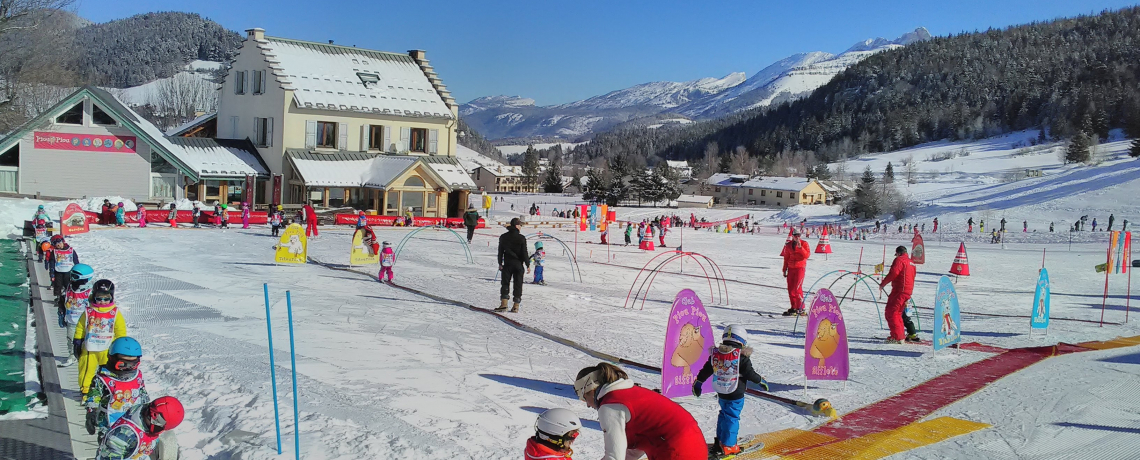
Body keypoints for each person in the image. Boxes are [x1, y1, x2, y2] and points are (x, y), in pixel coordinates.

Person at [574, 363, 705, 460]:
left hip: (676, 451)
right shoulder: (629, 393)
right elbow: (634, 449)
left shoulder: (610, 405)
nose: (587, 405)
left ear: (590, 389)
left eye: (584, 398)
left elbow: (614, 457)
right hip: (694, 444)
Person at [693, 325, 768, 457]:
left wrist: (699, 382)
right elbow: (749, 373)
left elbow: (707, 370)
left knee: (723, 414)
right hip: (736, 393)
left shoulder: (716, 354)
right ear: (742, 341)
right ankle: (729, 445)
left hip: (721, 391)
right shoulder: (741, 356)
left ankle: (720, 441)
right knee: (732, 417)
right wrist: (760, 381)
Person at [84, 337, 148, 441]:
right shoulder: (102, 379)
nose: (128, 368)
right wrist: (91, 413)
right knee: (109, 448)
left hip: (133, 421)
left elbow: (142, 393)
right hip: (108, 423)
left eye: (133, 365)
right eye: (123, 364)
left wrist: (147, 409)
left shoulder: (137, 376)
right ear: (111, 358)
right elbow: (93, 397)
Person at [74, 279, 127, 396]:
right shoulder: (89, 311)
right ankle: (86, 391)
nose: (102, 301)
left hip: (107, 348)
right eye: (99, 298)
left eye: (106, 298)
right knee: (86, 370)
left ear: (111, 298)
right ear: (94, 296)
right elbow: (81, 327)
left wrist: (121, 346)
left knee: (108, 371)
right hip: (90, 348)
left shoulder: (115, 312)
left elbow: (120, 330)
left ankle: (107, 390)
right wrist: (77, 340)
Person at [94, 396, 183, 460]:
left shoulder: (144, 416)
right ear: (156, 421)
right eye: (162, 429)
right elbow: (109, 456)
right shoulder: (125, 434)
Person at [58, 263, 94, 367]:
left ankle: (85, 356)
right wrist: (61, 312)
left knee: (84, 340)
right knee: (70, 338)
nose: (72, 279)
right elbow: (62, 300)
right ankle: (72, 356)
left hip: (85, 321)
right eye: (71, 275)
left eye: (75, 276)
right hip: (71, 319)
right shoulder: (69, 287)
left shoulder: (90, 291)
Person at [880, 246, 918, 344]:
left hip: (899, 290)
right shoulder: (911, 262)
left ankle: (897, 337)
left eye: (896, 254)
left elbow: (894, 273)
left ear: (898, 253)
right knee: (898, 313)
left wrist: (883, 283)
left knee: (891, 312)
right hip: (907, 291)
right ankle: (899, 335)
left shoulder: (900, 260)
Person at [496, 218, 530, 313]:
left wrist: (500, 263)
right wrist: (527, 264)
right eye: (520, 225)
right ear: (516, 226)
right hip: (518, 264)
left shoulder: (503, 237)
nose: (521, 227)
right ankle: (516, 306)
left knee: (505, 283)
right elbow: (524, 252)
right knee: (518, 284)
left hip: (507, 264)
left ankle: (504, 304)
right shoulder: (521, 238)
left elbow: (500, 252)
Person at [780, 231, 810, 316]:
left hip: (800, 268)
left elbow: (807, 255)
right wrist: (784, 269)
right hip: (791, 268)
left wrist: (800, 248)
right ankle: (793, 307)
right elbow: (786, 258)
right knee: (791, 289)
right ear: (792, 236)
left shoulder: (804, 243)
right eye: (795, 236)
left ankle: (801, 307)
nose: (797, 237)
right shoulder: (789, 245)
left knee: (797, 288)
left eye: (799, 235)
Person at [48, 235, 79, 300]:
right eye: (56, 244)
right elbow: (52, 262)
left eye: (59, 243)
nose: (58, 245)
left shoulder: (70, 250)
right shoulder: (54, 252)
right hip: (58, 271)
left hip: (68, 270)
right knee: (57, 284)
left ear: (63, 241)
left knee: (68, 285)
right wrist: (52, 273)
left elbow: (75, 259)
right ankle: (58, 297)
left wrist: (77, 269)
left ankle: (68, 296)